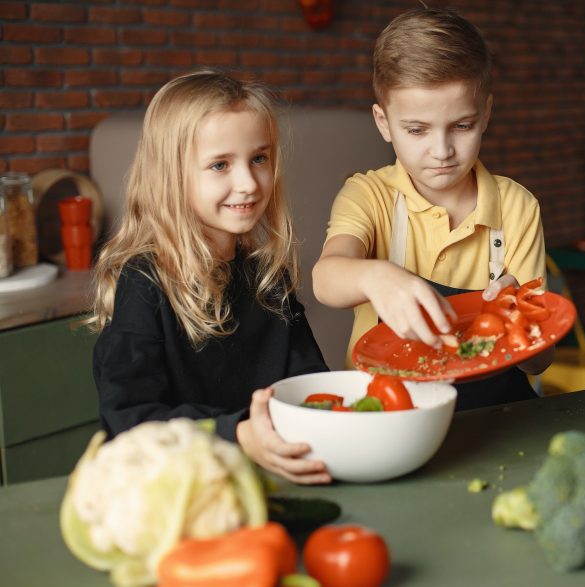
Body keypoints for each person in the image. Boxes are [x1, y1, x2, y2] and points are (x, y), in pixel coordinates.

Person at [91, 69, 331, 485]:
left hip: (268, 479)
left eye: (259, 158)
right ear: (171, 176)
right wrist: (237, 434)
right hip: (181, 490)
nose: (248, 183)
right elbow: (131, 420)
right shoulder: (144, 282)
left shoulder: (266, 276)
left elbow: (312, 388)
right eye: (220, 165)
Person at [312, 7, 553, 410]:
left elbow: (541, 363)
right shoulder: (369, 195)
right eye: (417, 130)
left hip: (493, 416)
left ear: (486, 114)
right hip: (390, 413)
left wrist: (522, 322)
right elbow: (326, 279)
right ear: (384, 122)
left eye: (462, 126)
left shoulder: (518, 207)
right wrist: (376, 275)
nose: (442, 151)